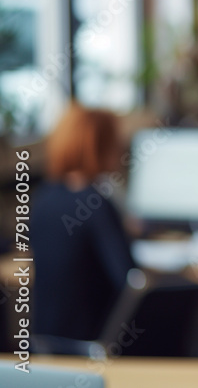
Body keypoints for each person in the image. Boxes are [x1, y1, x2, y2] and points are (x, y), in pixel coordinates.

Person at [32, 103, 134, 345]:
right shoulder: (95, 202)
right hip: (93, 341)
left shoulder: (45, 196)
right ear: (100, 145)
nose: (121, 149)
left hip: (45, 340)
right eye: (116, 141)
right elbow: (128, 279)